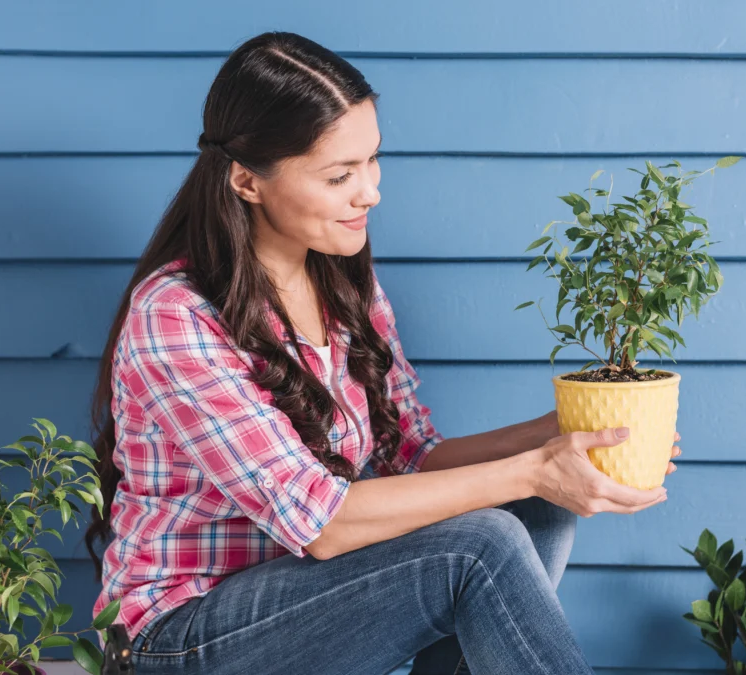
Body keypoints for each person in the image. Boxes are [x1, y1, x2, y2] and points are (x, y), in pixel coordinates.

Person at [83, 30, 677, 675]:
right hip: (182, 637)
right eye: (340, 175)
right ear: (247, 182)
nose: (370, 191)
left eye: (372, 160)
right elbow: (321, 523)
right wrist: (534, 467)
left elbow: (410, 456)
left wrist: (566, 435)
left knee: (534, 509)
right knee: (482, 540)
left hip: (307, 594)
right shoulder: (177, 314)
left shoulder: (342, 284)